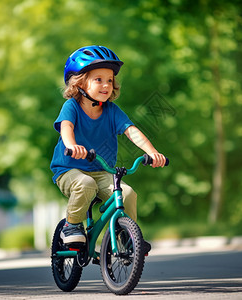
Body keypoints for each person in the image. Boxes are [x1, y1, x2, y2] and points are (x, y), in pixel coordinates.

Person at [50, 45, 167, 253]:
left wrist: (152, 152)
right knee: (85, 184)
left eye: (110, 80)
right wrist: (71, 145)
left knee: (128, 193)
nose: (106, 85)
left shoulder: (112, 111)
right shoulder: (72, 106)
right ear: (80, 82)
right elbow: (66, 127)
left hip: (102, 171)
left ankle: (126, 237)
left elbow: (132, 131)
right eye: (98, 79)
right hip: (69, 170)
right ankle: (72, 225)